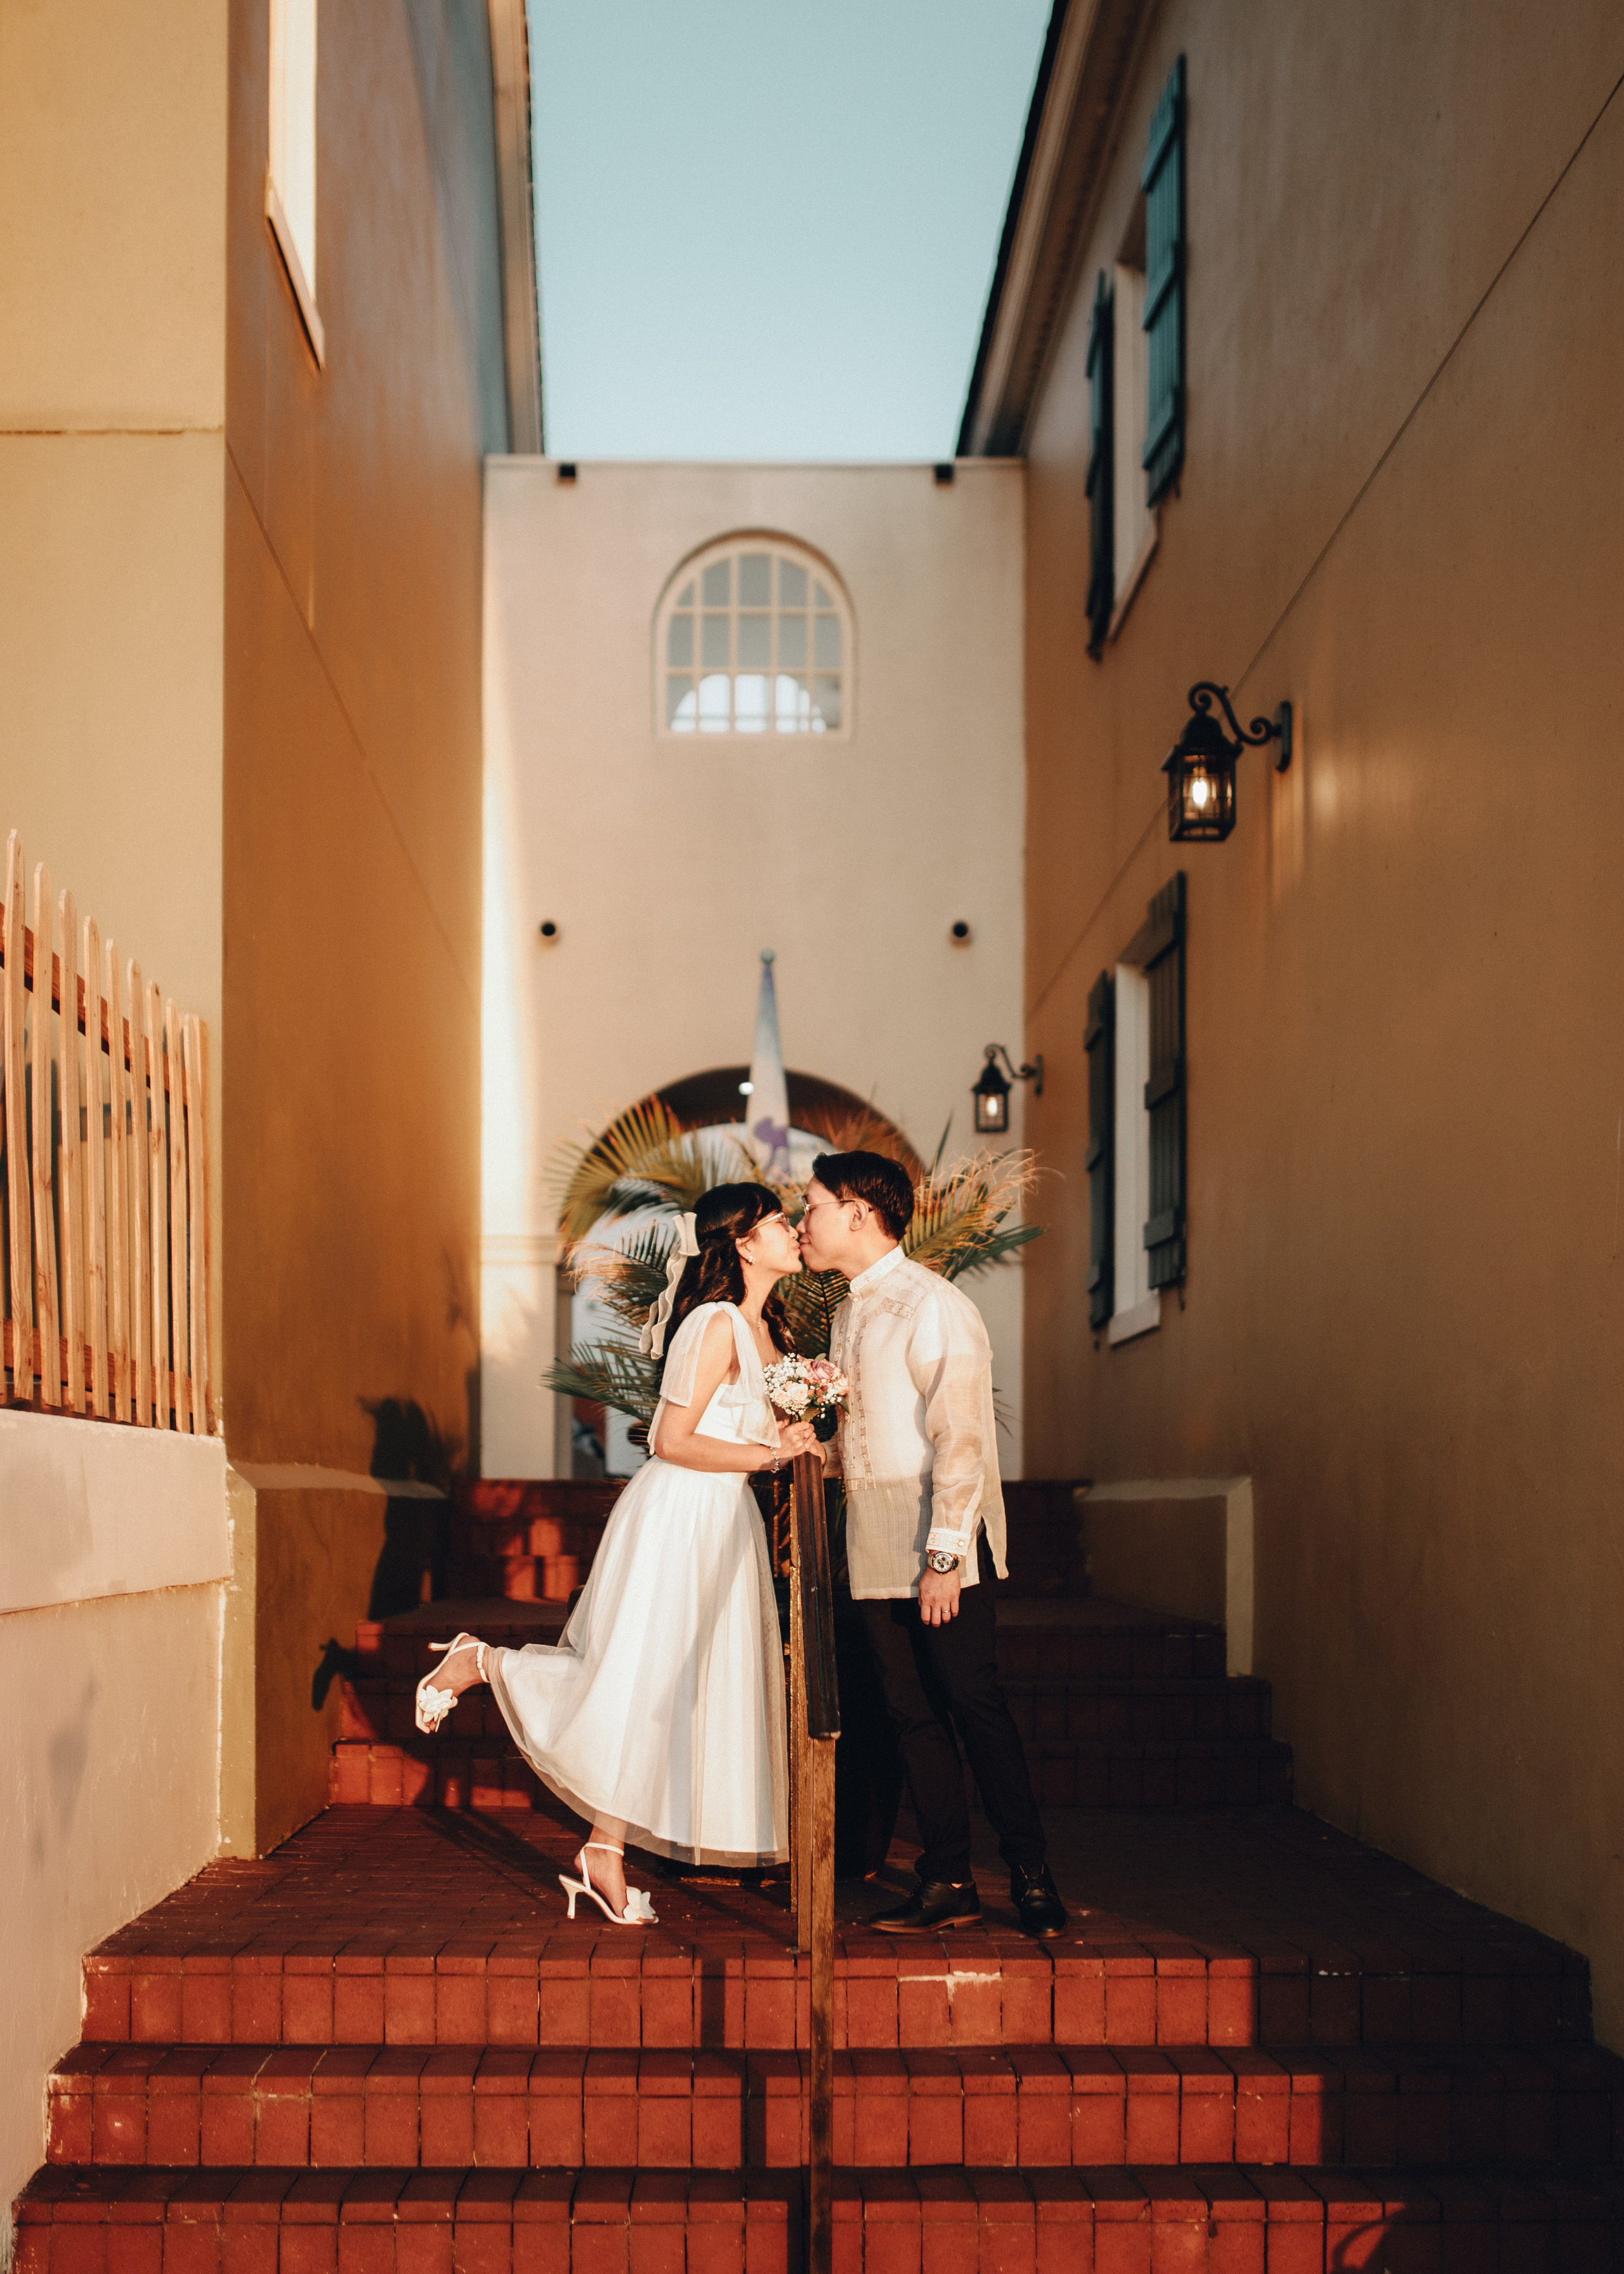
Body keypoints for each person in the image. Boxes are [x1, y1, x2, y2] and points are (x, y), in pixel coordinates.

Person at [414, 1185, 816, 1925]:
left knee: (674, 1684)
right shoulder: (715, 1321)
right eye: (778, 1222)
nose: (794, 1231)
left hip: (726, 1520)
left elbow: (761, 1435)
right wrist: (768, 1453)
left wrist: (798, 1440)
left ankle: (604, 1846)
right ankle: (483, 1661)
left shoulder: (768, 1331)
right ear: (743, 1243)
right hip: (681, 1515)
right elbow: (668, 1440)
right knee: (637, 1674)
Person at [799, 1150, 1067, 1938]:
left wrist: (946, 1557)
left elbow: (961, 1436)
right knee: (909, 1713)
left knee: (973, 1703)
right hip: (875, 1540)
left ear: (857, 1211)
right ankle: (948, 1875)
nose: (803, 1221)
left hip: (937, 1540)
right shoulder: (849, 1310)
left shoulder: (933, 1303)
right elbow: (858, 1434)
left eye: (810, 1206)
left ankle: (1030, 1871)